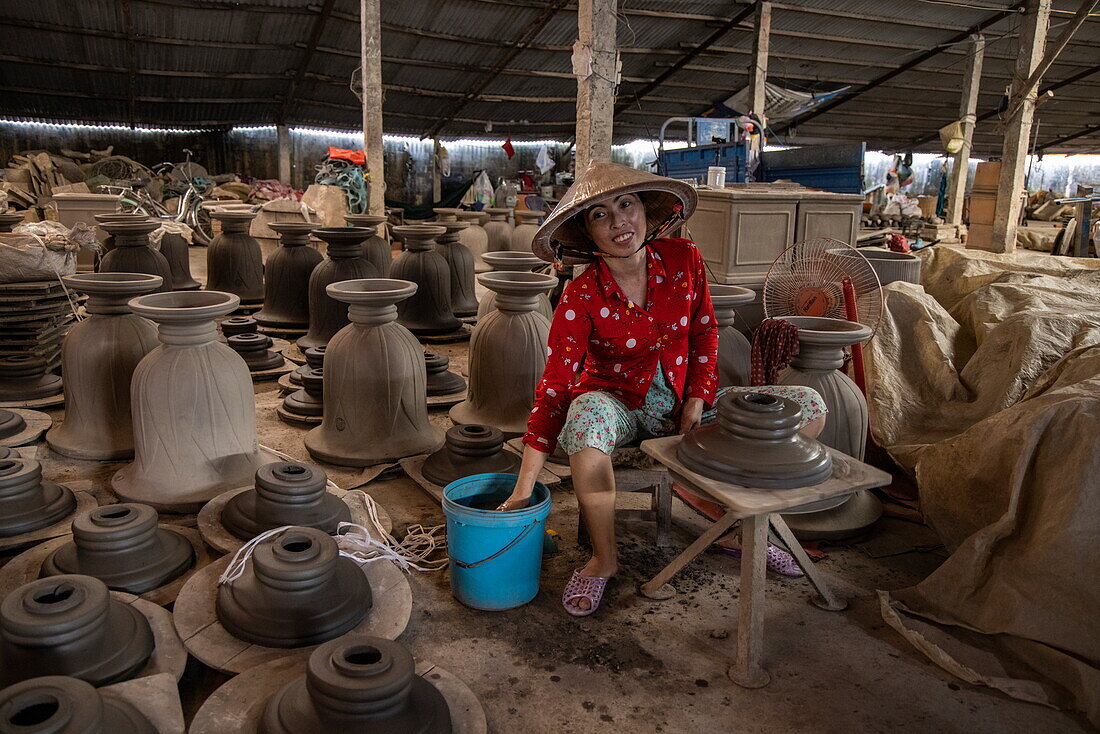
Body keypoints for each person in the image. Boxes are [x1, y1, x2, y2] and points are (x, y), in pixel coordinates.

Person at [498, 162, 826, 616]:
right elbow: (555, 389)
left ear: (647, 212)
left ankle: (741, 529)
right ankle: (603, 559)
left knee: (808, 406)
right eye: (598, 214)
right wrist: (523, 487)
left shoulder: (682, 260)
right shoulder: (580, 297)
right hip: (618, 406)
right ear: (585, 234)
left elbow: (704, 332)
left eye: (626, 204)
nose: (618, 222)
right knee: (584, 418)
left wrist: (696, 397)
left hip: (684, 405)